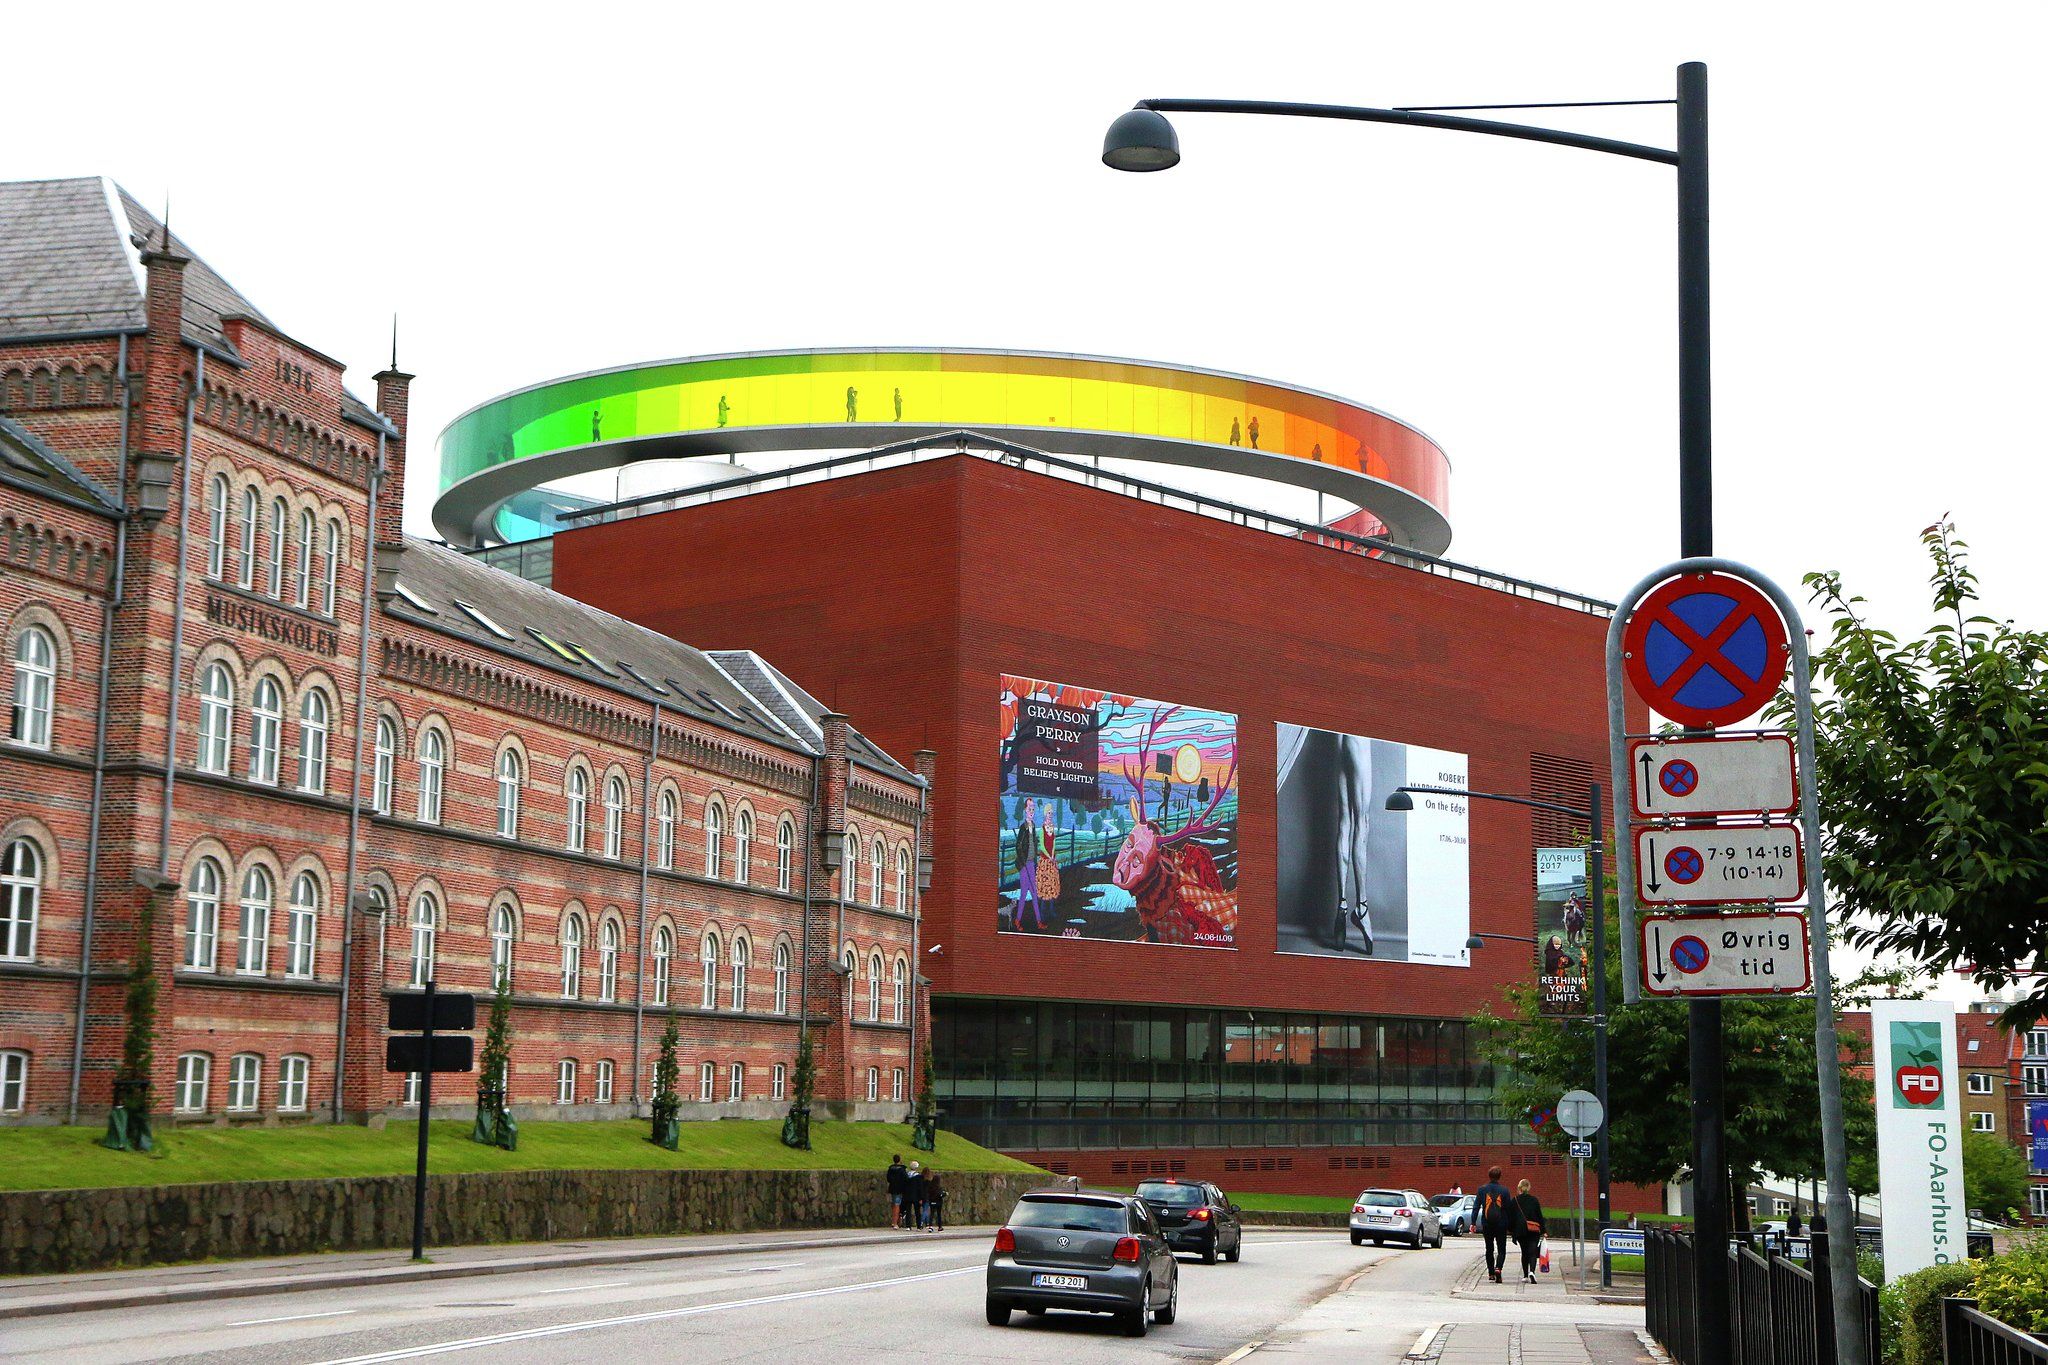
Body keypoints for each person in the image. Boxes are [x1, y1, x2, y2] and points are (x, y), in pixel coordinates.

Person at [1475, 1166, 1515, 1283]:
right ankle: (1499, 1268)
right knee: (1501, 1248)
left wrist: (1473, 1222)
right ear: (1499, 1176)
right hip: (1501, 1224)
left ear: (1489, 1175)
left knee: (1489, 1248)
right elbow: (1508, 1209)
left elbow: (1476, 1206)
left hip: (1487, 1223)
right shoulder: (1504, 1190)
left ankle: (1491, 1273)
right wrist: (1510, 1224)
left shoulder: (1482, 1189)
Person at [1014, 798, 1042, 930]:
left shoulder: (1033, 826)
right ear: (1025, 810)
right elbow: (1018, 846)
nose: (1031, 811)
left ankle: (1038, 922)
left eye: (1033, 809)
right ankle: (1019, 920)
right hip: (1025, 865)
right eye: (1029, 808)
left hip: (1031, 864)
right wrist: (1023, 862)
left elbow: (1033, 844)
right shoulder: (1023, 827)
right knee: (1025, 893)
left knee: (1033, 893)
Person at [1514, 1178, 1546, 1283]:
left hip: (1520, 1230)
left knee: (1524, 1252)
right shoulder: (1534, 1200)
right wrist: (1543, 1230)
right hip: (1533, 1230)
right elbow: (1539, 1216)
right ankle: (1532, 1271)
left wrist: (1512, 1232)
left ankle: (1525, 1275)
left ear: (1519, 1188)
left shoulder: (1515, 1200)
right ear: (1529, 1188)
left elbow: (1511, 1217)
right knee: (1532, 1252)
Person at [886, 1153, 908, 1229]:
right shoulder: (902, 1169)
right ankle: (895, 1222)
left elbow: (888, 1178)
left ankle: (896, 1221)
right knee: (897, 1205)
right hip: (900, 1189)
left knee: (894, 1204)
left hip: (892, 1188)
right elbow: (906, 1179)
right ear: (900, 1160)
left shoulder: (890, 1169)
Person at [904, 1160, 927, 1232]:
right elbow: (920, 1188)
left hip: (907, 1195)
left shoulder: (906, 1175)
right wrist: (921, 1197)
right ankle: (918, 1226)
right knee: (917, 1211)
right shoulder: (918, 1177)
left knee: (908, 1211)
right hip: (916, 1196)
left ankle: (908, 1226)